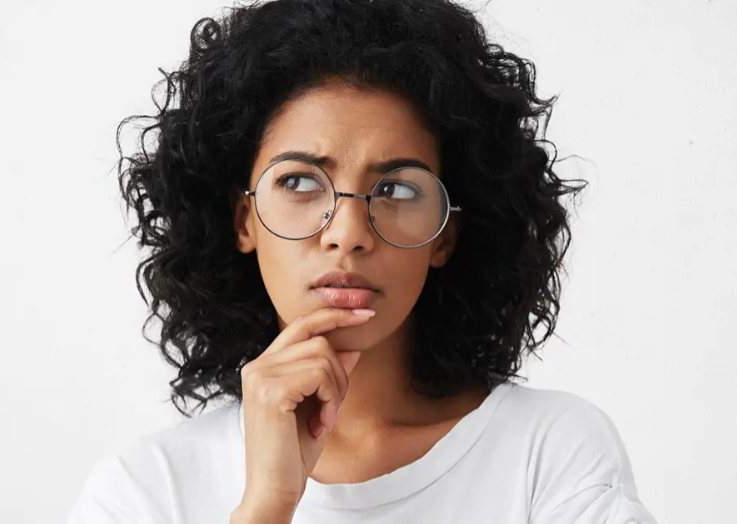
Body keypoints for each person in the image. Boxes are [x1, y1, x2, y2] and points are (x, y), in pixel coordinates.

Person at [67, 0, 658, 522]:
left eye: (398, 190)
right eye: (300, 181)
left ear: (446, 235)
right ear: (243, 218)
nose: (347, 234)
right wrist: (267, 507)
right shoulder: (146, 491)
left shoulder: (548, 455)